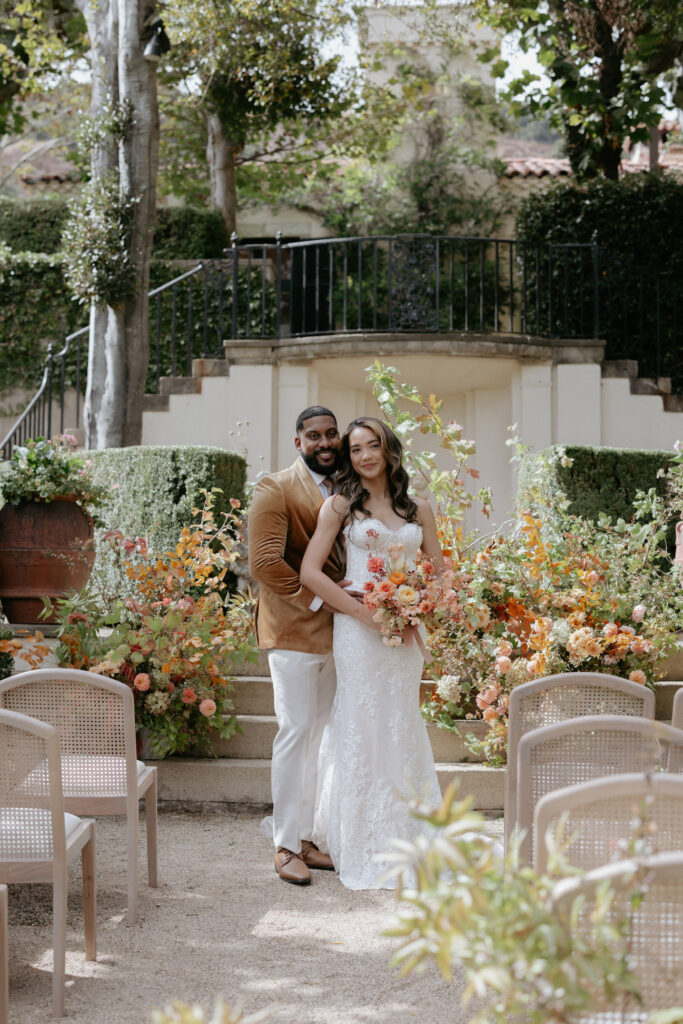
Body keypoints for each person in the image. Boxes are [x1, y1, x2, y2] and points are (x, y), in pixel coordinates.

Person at [300, 416, 443, 890]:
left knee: (401, 720)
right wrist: (365, 613)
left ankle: (409, 831)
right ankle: (358, 834)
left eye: (372, 445)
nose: (364, 456)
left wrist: (421, 607)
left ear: (387, 449)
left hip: (406, 632)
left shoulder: (419, 508)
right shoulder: (340, 507)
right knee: (361, 720)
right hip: (359, 630)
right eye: (355, 448)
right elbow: (310, 573)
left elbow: (439, 574)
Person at [248, 406, 345, 885]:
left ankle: (307, 837)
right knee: (294, 732)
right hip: (292, 629)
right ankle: (285, 845)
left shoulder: (350, 487)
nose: (324, 442)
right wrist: (317, 602)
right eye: (313, 436)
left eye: (331, 434)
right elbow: (265, 563)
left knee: (318, 736)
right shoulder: (276, 487)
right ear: (298, 442)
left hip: (342, 635)